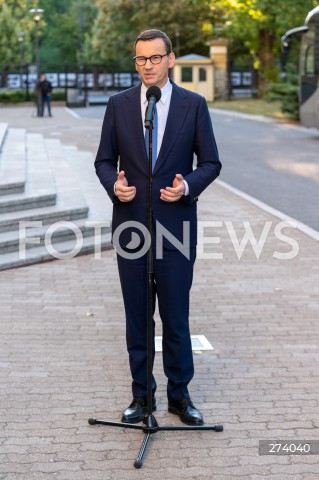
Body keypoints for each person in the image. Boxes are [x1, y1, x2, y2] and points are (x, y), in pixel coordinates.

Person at [95, 29, 221, 425]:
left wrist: (187, 186)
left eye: (154, 58)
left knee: (175, 317)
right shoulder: (118, 105)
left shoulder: (194, 105)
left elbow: (211, 163)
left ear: (170, 59)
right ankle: (141, 397)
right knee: (137, 317)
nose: (147, 66)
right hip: (131, 229)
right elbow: (103, 160)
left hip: (176, 229)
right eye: (140, 59)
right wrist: (114, 186)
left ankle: (179, 398)